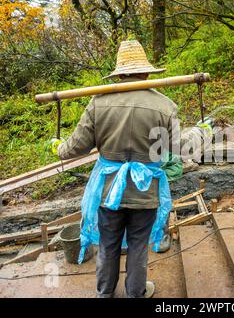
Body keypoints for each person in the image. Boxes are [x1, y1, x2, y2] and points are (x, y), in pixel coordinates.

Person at [54, 40, 179, 298]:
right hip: (145, 191)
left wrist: (59, 147)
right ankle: (136, 292)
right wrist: (202, 133)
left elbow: (75, 147)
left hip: (108, 189)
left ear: (120, 73)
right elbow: (179, 147)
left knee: (108, 244)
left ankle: (105, 293)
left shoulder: (99, 103)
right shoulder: (164, 106)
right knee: (138, 245)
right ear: (146, 72)